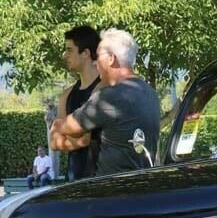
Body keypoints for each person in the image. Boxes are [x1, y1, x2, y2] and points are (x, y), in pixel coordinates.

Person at [50, 28, 160, 177]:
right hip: (142, 186)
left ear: (111, 58)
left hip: (111, 192)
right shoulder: (150, 93)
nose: (96, 62)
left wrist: (56, 124)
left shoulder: (109, 98)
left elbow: (68, 128)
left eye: (99, 55)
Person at [55, 25, 103, 181]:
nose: (64, 56)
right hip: (74, 185)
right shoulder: (66, 96)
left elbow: (62, 136)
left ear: (86, 53)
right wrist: (80, 140)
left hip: (103, 183)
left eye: (69, 50)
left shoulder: (106, 91)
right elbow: (55, 141)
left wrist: (69, 136)